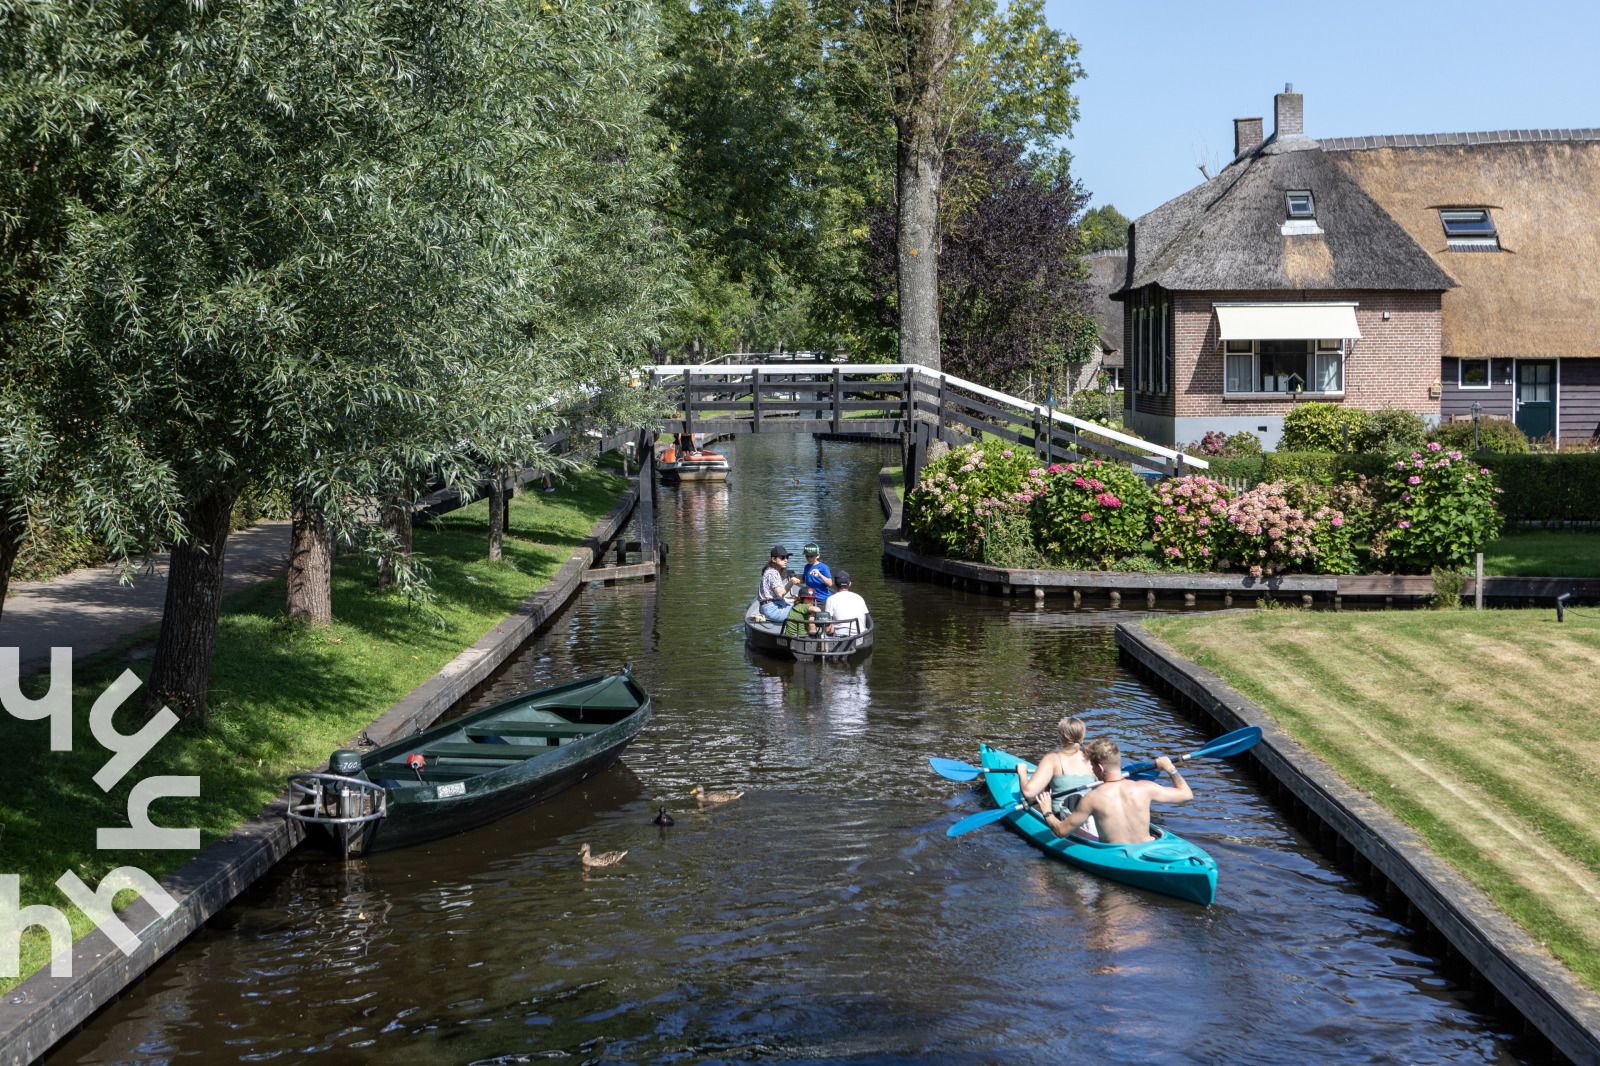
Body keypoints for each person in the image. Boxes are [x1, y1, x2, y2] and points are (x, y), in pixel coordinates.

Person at [1038, 737, 1193, 845]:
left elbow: (1061, 831)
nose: (1092, 770)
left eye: (1092, 767)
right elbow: (1186, 794)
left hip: (1116, 854)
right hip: (1147, 847)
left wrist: (1047, 811)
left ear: (1099, 767)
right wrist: (1170, 768)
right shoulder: (1145, 787)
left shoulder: (1092, 798)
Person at [1016, 716, 1096, 818]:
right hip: (1086, 817)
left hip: (1061, 818)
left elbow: (1028, 792)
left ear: (1061, 736)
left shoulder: (1052, 759)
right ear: (1082, 736)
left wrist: (1022, 772)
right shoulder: (1091, 759)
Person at [757, 545, 799, 623]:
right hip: (772, 610)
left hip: (769, 607)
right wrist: (791, 582)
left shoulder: (770, 571)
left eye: (787, 557)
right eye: (782, 557)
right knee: (803, 610)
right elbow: (780, 594)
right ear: (773, 559)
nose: (786, 560)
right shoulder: (773, 573)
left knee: (798, 604)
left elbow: (775, 595)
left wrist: (791, 600)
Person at [824, 570, 869, 635]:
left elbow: (827, 626)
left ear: (835, 585)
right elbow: (865, 619)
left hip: (840, 636)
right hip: (859, 633)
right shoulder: (859, 598)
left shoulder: (830, 599)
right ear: (850, 584)